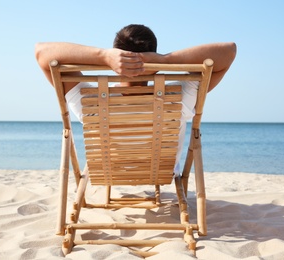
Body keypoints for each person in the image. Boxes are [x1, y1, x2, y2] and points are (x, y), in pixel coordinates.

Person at [35, 24, 236, 175]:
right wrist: (166, 60)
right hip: (161, 174)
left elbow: (42, 53)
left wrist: (104, 56)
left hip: (107, 174)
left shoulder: (91, 101)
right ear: (153, 54)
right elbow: (228, 51)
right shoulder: (177, 98)